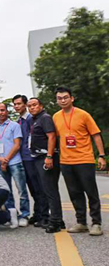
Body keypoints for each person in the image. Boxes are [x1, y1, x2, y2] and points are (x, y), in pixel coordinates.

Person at [52, 87, 106, 236]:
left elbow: (96, 135)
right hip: (66, 161)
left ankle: (96, 223)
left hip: (84, 159)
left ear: (72, 98)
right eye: (59, 98)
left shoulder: (83, 115)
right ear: (57, 100)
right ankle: (81, 222)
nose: (63, 100)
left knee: (91, 192)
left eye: (65, 97)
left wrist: (101, 155)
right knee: (74, 193)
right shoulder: (56, 117)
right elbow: (53, 137)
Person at [26, 97, 64, 233]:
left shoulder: (45, 118)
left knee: (50, 190)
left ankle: (56, 222)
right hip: (37, 157)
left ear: (41, 106)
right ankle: (58, 219)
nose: (32, 108)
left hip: (46, 157)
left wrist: (49, 156)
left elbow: (52, 137)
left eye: (34, 105)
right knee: (46, 189)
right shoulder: (34, 120)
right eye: (29, 106)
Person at [0, 103, 27, 229]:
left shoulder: (14, 125)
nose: (0, 113)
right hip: (0, 162)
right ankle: (11, 215)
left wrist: (6, 159)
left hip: (15, 162)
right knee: (6, 191)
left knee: (21, 190)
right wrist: (0, 159)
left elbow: (17, 145)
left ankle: (24, 215)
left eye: (3, 110)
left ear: (7, 111)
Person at [13, 94, 45, 227]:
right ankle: (37, 213)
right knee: (32, 187)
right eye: (15, 104)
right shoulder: (19, 121)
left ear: (25, 105)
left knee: (39, 187)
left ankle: (44, 215)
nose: (17, 106)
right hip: (24, 158)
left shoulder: (31, 119)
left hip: (33, 157)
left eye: (19, 104)